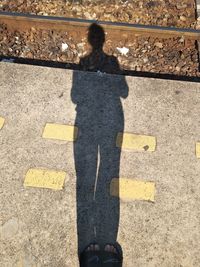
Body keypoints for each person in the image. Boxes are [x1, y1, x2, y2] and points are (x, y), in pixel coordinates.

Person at [71, 23, 128, 267]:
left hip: (86, 116)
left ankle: (91, 260)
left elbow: (75, 97)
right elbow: (124, 92)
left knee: (87, 178)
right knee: (109, 170)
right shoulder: (112, 61)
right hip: (112, 114)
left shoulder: (82, 62)